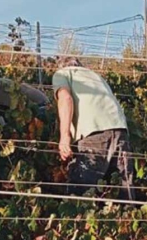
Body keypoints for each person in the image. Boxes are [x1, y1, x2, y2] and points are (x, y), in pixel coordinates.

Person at [52, 56, 137, 201]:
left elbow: (65, 99)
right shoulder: (95, 76)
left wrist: (64, 136)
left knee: (79, 193)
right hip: (120, 128)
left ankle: (77, 222)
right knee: (123, 193)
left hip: (94, 132)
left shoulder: (62, 73)